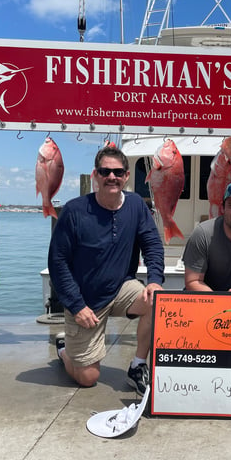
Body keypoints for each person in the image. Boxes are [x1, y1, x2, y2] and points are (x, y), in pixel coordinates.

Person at [48, 146, 164, 393]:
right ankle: (65, 352)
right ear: (95, 175)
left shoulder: (136, 205)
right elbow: (58, 262)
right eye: (105, 171)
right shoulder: (74, 211)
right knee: (88, 378)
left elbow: (152, 245)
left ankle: (138, 365)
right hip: (85, 301)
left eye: (118, 172)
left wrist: (154, 280)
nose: (112, 177)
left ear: (127, 176)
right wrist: (77, 306)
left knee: (157, 301)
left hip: (121, 289)